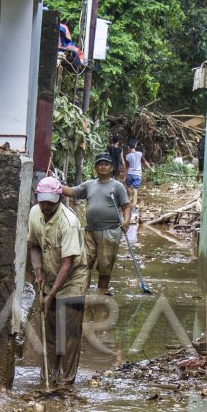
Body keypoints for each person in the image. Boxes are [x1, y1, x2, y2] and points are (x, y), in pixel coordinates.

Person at [28, 177, 90, 385]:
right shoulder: (35, 213)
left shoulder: (69, 222)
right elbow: (34, 245)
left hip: (73, 280)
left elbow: (68, 263)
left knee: (69, 335)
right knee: (51, 332)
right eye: (42, 201)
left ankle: (65, 381)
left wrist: (51, 295)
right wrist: (38, 271)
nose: (46, 206)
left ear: (60, 199)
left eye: (50, 202)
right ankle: (48, 376)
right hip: (50, 276)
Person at [62, 153, 131, 295]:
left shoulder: (117, 186)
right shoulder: (89, 185)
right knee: (84, 261)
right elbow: (72, 191)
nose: (103, 166)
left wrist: (127, 220)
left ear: (111, 167)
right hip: (90, 231)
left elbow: (126, 206)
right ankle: (83, 290)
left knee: (105, 264)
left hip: (110, 231)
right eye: (100, 164)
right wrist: (54, 185)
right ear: (95, 168)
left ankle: (102, 291)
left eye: (106, 164)